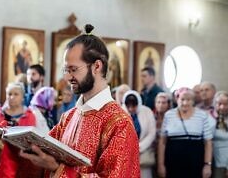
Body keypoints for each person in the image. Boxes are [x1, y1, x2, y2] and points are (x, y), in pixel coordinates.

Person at [20, 24, 140, 177]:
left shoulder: (119, 123)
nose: (67, 77)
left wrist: (58, 169)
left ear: (97, 66)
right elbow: (40, 157)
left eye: (74, 69)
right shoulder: (68, 117)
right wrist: (15, 144)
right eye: (66, 70)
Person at [0, 82, 43, 178]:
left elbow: (30, 138)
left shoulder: (29, 115)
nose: (12, 97)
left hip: (21, 159)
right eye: (9, 94)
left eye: (16, 94)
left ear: (22, 97)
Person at [158, 87, 213, 178]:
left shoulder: (202, 115)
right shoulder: (169, 115)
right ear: (177, 99)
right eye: (182, 99)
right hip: (172, 163)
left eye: (189, 100)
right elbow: (162, 142)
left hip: (196, 163)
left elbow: (208, 142)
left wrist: (207, 165)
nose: (185, 103)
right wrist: (161, 165)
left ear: (193, 101)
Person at [122, 90, 156, 178]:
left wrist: (138, 147)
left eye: (134, 106)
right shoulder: (120, 112)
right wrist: (129, 148)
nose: (131, 109)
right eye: (128, 106)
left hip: (143, 154)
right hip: (125, 155)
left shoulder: (147, 111)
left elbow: (151, 132)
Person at [212, 91, 228, 178]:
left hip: (226, 163)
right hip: (211, 161)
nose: (222, 107)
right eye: (219, 103)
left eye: (225, 104)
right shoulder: (209, 116)